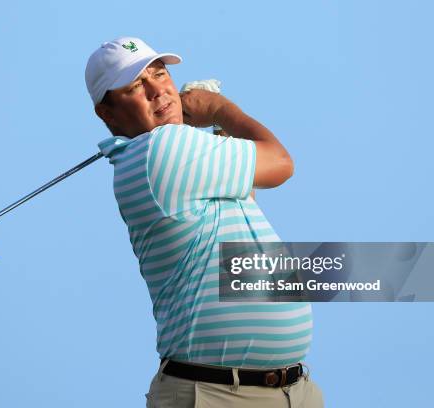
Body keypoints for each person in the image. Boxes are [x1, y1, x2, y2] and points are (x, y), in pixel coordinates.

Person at [85, 37, 324, 408]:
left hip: (290, 392)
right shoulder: (160, 149)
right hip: (216, 395)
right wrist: (218, 108)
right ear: (107, 114)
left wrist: (219, 137)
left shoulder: (167, 156)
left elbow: (243, 202)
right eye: (135, 87)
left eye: (160, 75)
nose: (157, 91)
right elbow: (280, 164)